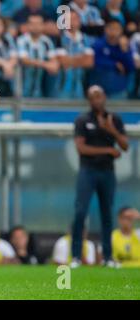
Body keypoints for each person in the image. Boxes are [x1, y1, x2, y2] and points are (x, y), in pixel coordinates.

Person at [71, 85, 129, 268]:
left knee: (107, 214)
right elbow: (81, 148)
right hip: (88, 171)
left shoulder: (114, 120)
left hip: (107, 171)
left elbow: (125, 146)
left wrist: (111, 130)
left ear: (104, 97)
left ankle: (107, 257)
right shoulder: (83, 120)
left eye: (99, 96)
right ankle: (76, 257)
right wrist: (109, 150)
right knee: (80, 212)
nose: (97, 99)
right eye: (93, 96)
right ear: (89, 100)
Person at [89, 19, 135, 99]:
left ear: (121, 31)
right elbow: (95, 61)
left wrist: (125, 51)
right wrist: (114, 64)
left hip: (119, 91)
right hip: (99, 91)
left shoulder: (125, 46)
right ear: (105, 29)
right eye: (111, 28)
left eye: (117, 29)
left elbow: (130, 67)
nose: (113, 31)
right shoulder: (98, 44)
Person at [17, 14, 59, 97]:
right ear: (28, 26)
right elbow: (24, 60)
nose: (35, 26)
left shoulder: (47, 42)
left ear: (43, 26)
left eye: (38, 24)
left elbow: (53, 61)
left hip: (39, 87)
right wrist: (46, 64)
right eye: (32, 24)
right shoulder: (22, 40)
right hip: (22, 86)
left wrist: (53, 65)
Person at [56, 10, 94, 99]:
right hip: (63, 86)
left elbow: (89, 62)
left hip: (81, 85)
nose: (72, 21)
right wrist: (81, 59)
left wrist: (70, 60)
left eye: (75, 19)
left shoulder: (86, 39)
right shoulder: (59, 38)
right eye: (69, 19)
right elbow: (64, 62)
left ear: (80, 21)